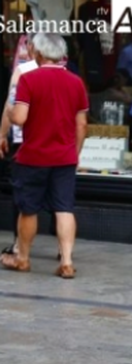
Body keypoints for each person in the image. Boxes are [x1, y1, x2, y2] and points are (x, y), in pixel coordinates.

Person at [1, 33, 88, 279]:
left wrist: (9, 107)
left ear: (38, 54)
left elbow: (19, 118)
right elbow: (81, 125)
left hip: (32, 157)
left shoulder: (29, 80)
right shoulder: (76, 82)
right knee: (64, 208)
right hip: (64, 157)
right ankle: (67, 262)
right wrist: (75, 153)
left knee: (28, 209)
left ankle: (23, 259)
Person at [0, 34, 37, 258]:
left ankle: (19, 247)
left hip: (24, 140)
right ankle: (65, 252)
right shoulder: (68, 75)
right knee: (60, 202)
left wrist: (2, 133)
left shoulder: (23, 71)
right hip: (57, 144)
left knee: (22, 195)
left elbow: (11, 106)